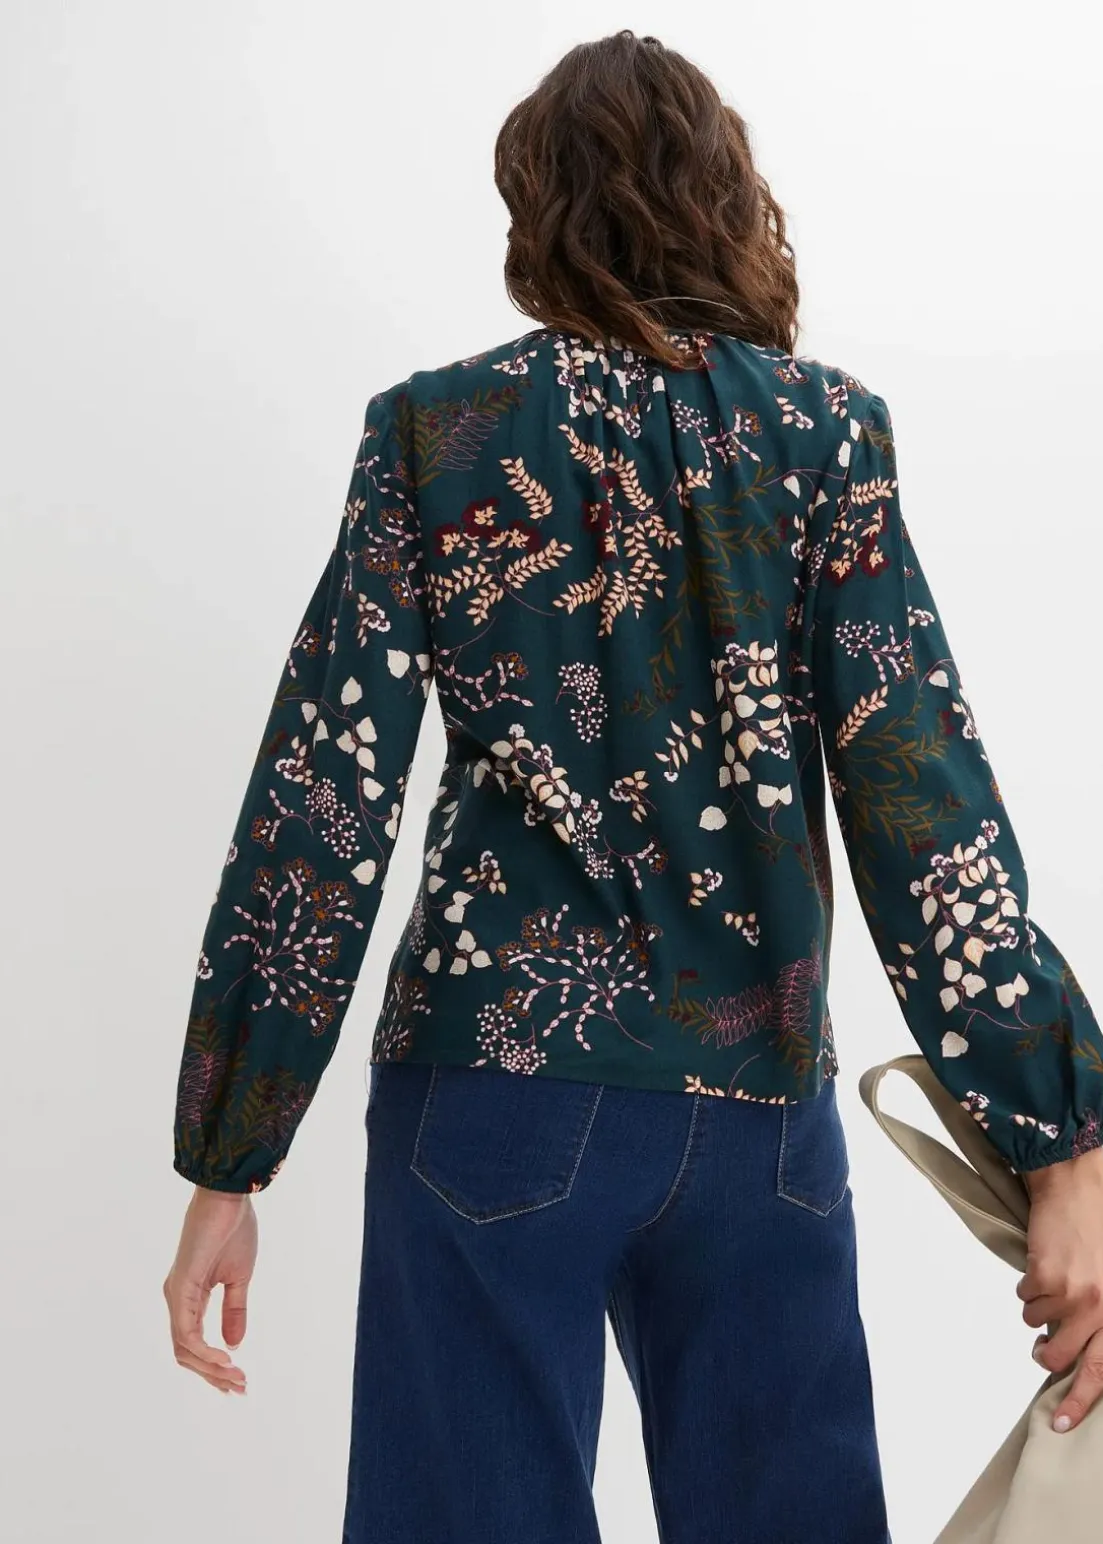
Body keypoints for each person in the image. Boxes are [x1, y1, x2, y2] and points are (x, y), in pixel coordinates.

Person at [162, 29, 1103, 1544]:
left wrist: (229, 1156)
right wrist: (1062, 1141)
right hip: (754, 1109)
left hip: (488, 1092)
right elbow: (918, 802)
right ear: (727, 199)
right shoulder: (821, 435)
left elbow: (322, 804)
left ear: (534, 209)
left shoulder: (433, 433)